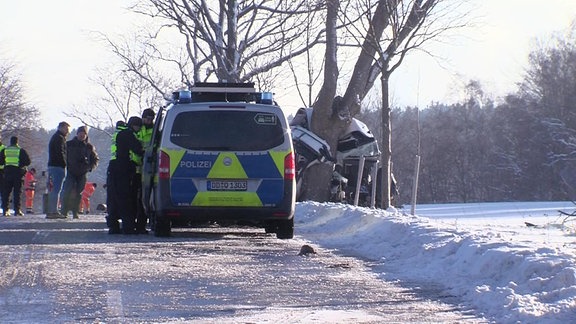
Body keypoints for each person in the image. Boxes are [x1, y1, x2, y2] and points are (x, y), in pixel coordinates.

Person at [107, 117, 143, 234]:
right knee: (125, 198)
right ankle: (128, 227)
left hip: (114, 168)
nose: (139, 128)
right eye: (138, 126)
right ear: (134, 125)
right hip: (123, 169)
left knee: (113, 197)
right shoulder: (128, 134)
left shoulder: (120, 134)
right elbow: (137, 149)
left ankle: (113, 227)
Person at [60, 126, 99, 219]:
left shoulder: (89, 147)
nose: (82, 135)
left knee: (79, 193)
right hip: (70, 171)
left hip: (82, 173)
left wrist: (90, 167)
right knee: (67, 191)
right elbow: (62, 155)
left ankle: (75, 212)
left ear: (86, 135)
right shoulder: (69, 144)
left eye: (84, 134)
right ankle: (64, 211)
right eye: (80, 133)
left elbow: (95, 159)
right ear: (77, 134)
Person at [134, 108, 155, 234]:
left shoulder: (155, 130)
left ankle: (143, 224)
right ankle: (138, 224)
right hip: (137, 167)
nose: (149, 120)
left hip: (149, 168)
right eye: (147, 118)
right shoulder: (137, 128)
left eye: (151, 118)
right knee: (136, 198)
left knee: (146, 197)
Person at [0, 136, 31, 216]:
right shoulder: (20, 150)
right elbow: (28, 161)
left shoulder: (5, 150)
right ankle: (17, 210)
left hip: (7, 173)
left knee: (6, 192)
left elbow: (0, 161)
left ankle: (5, 210)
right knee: (17, 192)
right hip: (18, 173)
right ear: (17, 142)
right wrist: (21, 165)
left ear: (10, 142)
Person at [46, 121, 70, 219]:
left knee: (54, 189)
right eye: (66, 129)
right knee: (56, 189)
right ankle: (53, 211)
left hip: (52, 165)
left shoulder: (55, 137)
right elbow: (60, 152)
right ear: (61, 127)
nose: (67, 132)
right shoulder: (59, 138)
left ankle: (52, 210)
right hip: (57, 166)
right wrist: (64, 163)